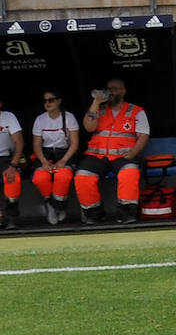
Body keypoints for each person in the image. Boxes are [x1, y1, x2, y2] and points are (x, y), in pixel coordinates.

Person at [76, 79, 149, 224]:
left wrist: (133, 153)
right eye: (108, 89)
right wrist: (96, 102)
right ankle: (94, 215)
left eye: (114, 89)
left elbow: (143, 136)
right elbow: (89, 127)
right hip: (97, 156)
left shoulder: (135, 111)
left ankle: (126, 214)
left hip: (123, 155)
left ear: (123, 91)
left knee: (130, 173)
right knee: (82, 176)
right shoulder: (99, 109)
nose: (111, 92)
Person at [30, 90, 79, 225]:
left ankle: (59, 205)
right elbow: (37, 144)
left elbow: (74, 143)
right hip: (45, 155)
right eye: (45, 101)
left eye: (51, 100)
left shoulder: (69, 117)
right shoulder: (40, 119)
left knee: (63, 176)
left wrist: (63, 161)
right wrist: (44, 162)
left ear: (59, 101)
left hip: (64, 153)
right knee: (40, 177)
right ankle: (51, 205)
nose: (48, 103)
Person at [0, 97, 22, 229]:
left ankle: (11, 218)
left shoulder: (9, 117)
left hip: (7, 158)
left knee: (13, 179)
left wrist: (13, 165)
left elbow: (19, 142)